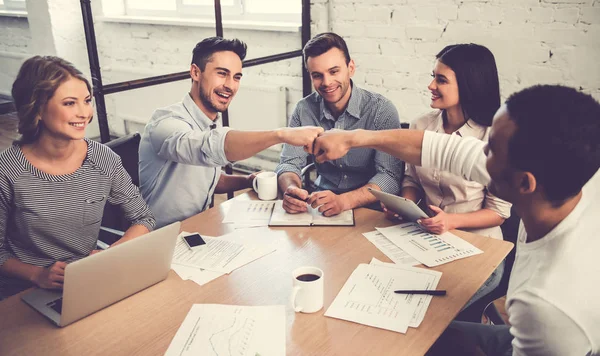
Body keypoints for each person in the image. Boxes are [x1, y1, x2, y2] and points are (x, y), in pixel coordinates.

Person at [311, 85, 600, 355]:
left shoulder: (547, 305)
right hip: (526, 333)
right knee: (414, 331)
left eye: (491, 149)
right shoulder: (568, 179)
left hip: (541, 341)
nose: (479, 151)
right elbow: (439, 148)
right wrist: (353, 138)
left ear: (525, 184)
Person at [0, 56, 156, 300]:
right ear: (37, 108)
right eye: (70, 103)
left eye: (86, 101)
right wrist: (37, 275)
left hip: (86, 280)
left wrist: (112, 253)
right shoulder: (7, 171)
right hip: (25, 288)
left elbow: (143, 218)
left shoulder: (104, 159)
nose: (84, 113)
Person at [139, 37, 323, 228]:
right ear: (195, 72)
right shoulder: (165, 123)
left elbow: (206, 179)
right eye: (222, 73)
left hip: (196, 228)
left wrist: (247, 180)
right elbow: (205, 147)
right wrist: (281, 135)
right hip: (157, 237)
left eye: (236, 77)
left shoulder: (208, 122)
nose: (230, 85)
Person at [275, 32, 404, 217]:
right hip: (319, 207)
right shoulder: (304, 109)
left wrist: (344, 201)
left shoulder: (381, 110)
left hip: (370, 210)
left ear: (350, 68)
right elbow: (289, 163)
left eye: (334, 71)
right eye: (317, 75)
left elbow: (390, 177)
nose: (326, 83)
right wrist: (292, 189)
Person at [401, 44, 510, 239]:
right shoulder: (420, 124)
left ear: (470, 86)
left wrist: (451, 221)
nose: (431, 86)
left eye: (441, 80)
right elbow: (412, 181)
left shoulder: (494, 136)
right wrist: (403, 205)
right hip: (429, 236)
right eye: (433, 76)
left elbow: (498, 212)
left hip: (479, 242)